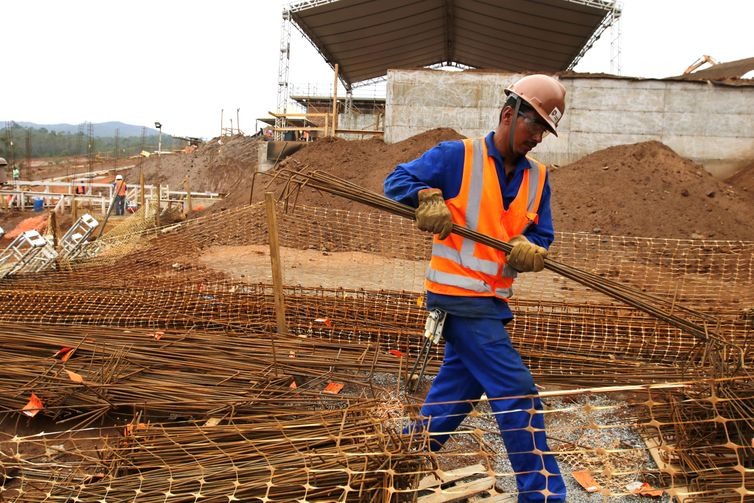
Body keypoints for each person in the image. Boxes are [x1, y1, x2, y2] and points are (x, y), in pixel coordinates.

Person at [384, 74, 567, 502]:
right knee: (516, 390)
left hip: (492, 302)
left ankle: (397, 461)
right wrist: (426, 196)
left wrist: (530, 249)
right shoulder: (456, 157)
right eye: (533, 125)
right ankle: (544, 496)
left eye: (544, 130)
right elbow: (395, 181)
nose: (538, 137)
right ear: (508, 114)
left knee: (456, 393)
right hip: (458, 300)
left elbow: (542, 236)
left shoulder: (538, 179)